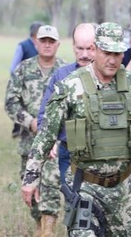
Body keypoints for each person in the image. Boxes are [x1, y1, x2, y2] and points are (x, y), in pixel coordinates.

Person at [21, 22, 131, 236]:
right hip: (85, 185)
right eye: (107, 52)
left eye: (117, 53)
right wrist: (31, 178)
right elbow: (46, 134)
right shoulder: (70, 86)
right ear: (96, 49)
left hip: (123, 189)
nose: (112, 60)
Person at [5, 25, 66, 235]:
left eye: (52, 41)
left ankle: (47, 229)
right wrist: (30, 121)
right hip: (29, 143)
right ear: (36, 43)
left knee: (50, 186)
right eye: (43, 41)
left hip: (55, 143)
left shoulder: (65, 71)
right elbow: (11, 102)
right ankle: (39, 223)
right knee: (30, 190)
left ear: (58, 44)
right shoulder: (23, 69)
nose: (47, 45)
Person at [37, 23, 97, 186]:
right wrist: (46, 143)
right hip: (69, 152)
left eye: (90, 48)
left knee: (99, 206)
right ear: (73, 47)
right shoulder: (62, 75)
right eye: (79, 48)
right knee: (73, 204)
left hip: (101, 154)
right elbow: (45, 114)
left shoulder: (109, 75)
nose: (84, 54)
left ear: (98, 46)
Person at [9, 21, 43, 138]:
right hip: (24, 83)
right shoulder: (23, 46)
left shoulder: (42, 46)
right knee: (20, 106)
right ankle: (17, 130)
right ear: (35, 34)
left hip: (38, 85)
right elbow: (13, 66)